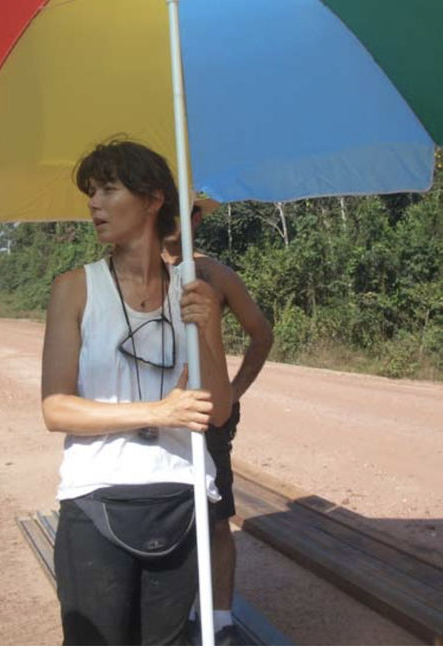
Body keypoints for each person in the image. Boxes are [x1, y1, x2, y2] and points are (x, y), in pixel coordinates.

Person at [41, 140, 232, 646]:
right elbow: (55, 408)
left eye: (108, 189)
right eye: (91, 192)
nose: (94, 204)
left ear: (152, 200)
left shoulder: (194, 294)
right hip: (97, 498)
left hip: (183, 494)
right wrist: (160, 410)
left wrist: (208, 327)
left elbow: (220, 410)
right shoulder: (75, 289)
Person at [162, 200, 274, 646]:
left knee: (215, 516)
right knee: (165, 513)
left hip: (208, 413)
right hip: (156, 411)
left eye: (183, 212)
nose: (173, 221)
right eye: (165, 209)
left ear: (198, 218)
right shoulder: (138, 272)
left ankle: (221, 617)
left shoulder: (214, 274)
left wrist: (235, 390)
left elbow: (261, 333)